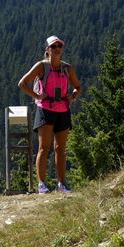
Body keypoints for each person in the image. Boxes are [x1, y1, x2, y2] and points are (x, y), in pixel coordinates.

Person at [18, 35, 81, 193]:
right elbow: (22, 83)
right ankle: (42, 184)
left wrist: (72, 96)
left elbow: (78, 87)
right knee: (43, 148)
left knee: (60, 148)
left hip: (63, 110)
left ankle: (61, 184)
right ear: (47, 50)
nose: (57, 49)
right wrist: (37, 96)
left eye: (59, 46)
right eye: (53, 46)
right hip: (45, 109)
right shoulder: (41, 66)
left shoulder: (67, 68)